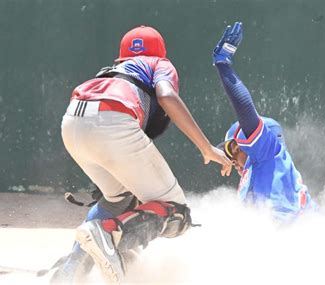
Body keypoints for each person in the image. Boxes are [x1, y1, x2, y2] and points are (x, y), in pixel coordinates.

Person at [53, 25, 231, 284]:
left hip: (72, 121)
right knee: (178, 214)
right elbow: (166, 95)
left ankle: (70, 272)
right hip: (113, 119)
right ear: (161, 52)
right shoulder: (158, 63)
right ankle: (108, 233)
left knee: (117, 199)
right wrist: (206, 147)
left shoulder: (111, 71)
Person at [212, 22, 316, 222]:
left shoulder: (268, 152)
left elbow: (245, 109)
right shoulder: (261, 171)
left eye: (233, 148)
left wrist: (223, 64)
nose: (232, 158)